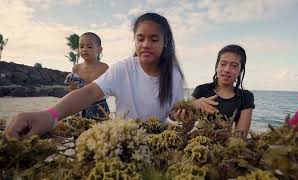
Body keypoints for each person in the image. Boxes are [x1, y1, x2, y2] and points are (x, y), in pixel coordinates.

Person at [4, 12, 185, 139]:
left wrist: (186, 115)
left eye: (154, 39)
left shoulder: (174, 74)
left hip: (159, 139)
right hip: (124, 136)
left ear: (165, 42)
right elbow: (89, 93)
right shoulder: (123, 69)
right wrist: (50, 115)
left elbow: (174, 114)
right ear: (134, 40)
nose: (146, 44)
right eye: (140, 38)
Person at [188, 45, 254, 137]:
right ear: (216, 66)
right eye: (223, 64)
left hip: (226, 145)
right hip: (199, 143)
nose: (227, 70)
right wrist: (193, 107)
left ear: (240, 71)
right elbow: (187, 128)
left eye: (234, 66)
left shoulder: (246, 97)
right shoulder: (201, 90)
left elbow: (241, 137)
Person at [64, 32, 110, 119]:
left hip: (99, 106)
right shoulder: (76, 68)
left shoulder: (104, 67)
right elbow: (72, 91)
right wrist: (72, 88)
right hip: (79, 106)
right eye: (81, 46)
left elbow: (108, 88)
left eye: (89, 47)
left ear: (99, 50)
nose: (84, 49)